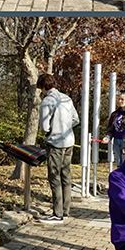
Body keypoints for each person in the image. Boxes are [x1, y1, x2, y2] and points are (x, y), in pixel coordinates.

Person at [37, 73, 80, 223]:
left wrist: (50, 130)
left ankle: (57, 213)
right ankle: (66, 210)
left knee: (54, 177)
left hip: (55, 142)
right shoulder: (66, 98)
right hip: (69, 141)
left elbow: (44, 125)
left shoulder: (47, 101)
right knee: (66, 176)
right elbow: (76, 119)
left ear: (43, 86)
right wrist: (66, 126)